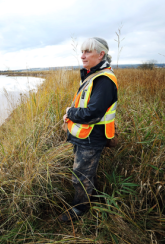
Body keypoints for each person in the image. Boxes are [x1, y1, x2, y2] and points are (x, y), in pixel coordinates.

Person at [59, 37, 118, 222]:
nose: (82, 56)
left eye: (87, 52)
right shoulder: (91, 75)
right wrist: (71, 115)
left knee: (80, 176)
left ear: (101, 54)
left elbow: (93, 113)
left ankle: (80, 209)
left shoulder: (104, 80)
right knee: (85, 172)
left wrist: (71, 112)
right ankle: (94, 198)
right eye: (82, 51)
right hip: (84, 136)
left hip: (92, 138)